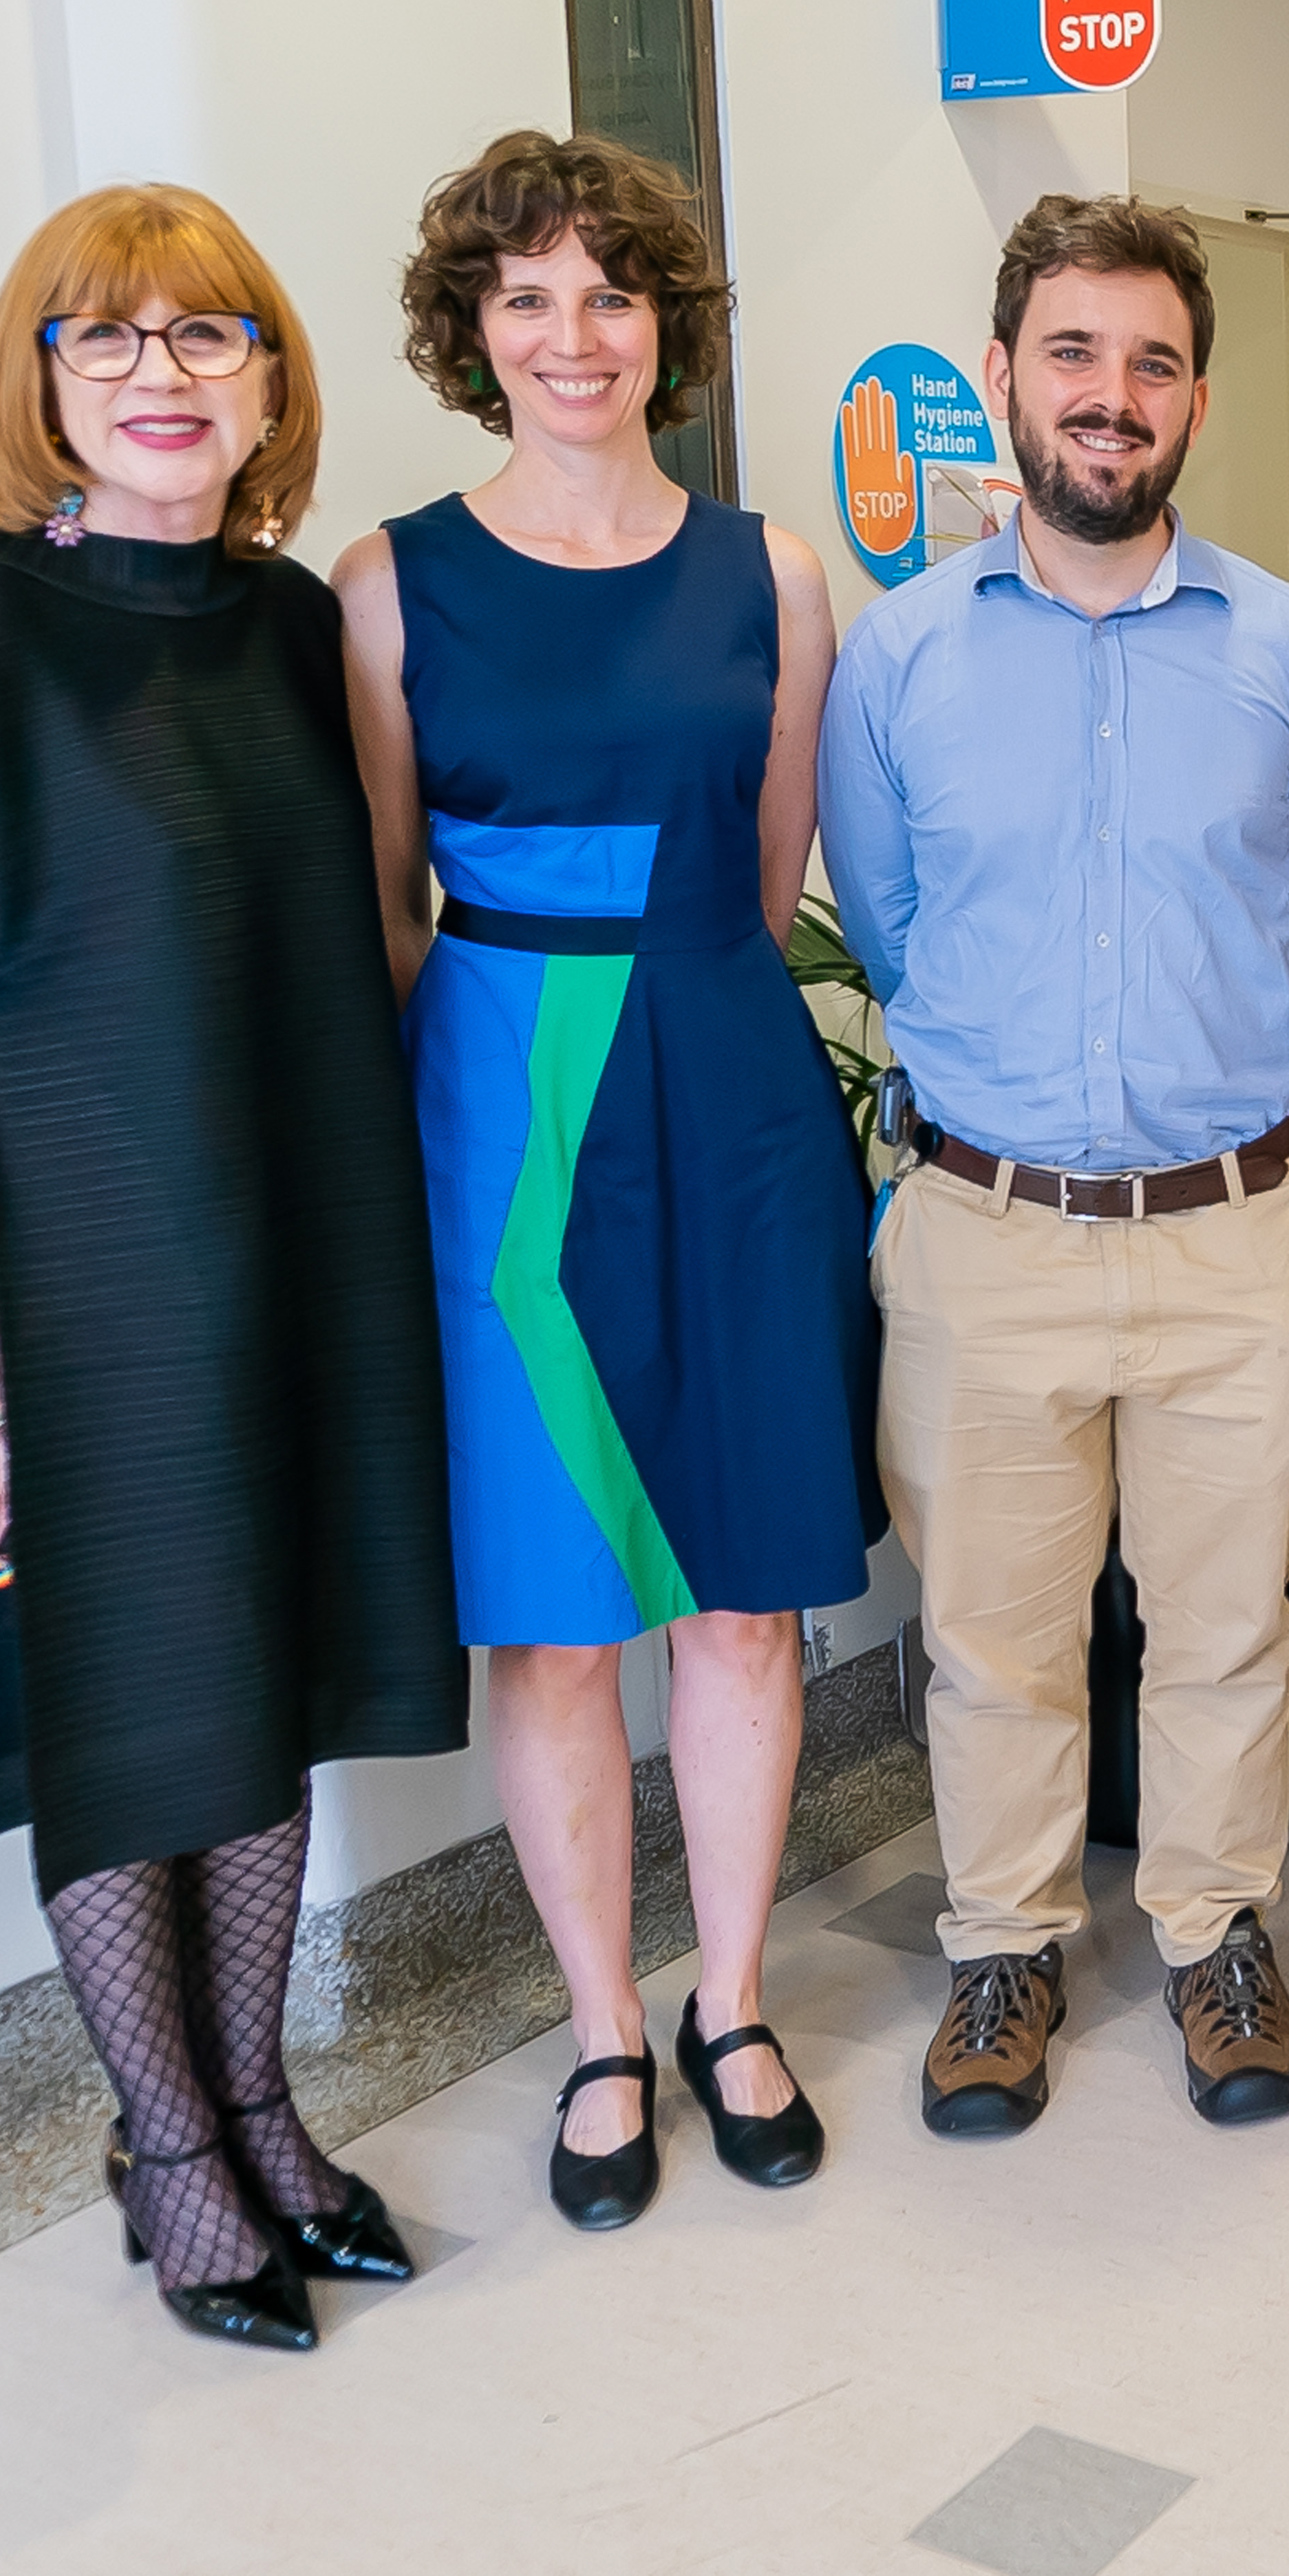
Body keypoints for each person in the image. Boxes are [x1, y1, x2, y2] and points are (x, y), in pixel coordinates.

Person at [0, 185, 465, 2352]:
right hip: (85, 1300)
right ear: (39, 384)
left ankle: (255, 2106)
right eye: (106, 342)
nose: (162, 378)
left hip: (305, 1249)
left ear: (270, 384)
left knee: (261, 1685)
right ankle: (171, 2151)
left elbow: (370, 928)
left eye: (209, 339)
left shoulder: (295, 633)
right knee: (123, 1717)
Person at [336, 129, 876, 2231]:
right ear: (473, 333)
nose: (575, 335)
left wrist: (667, 1017)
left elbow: (763, 873)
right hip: (504, 1133)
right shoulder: (385, 587)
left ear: (668, 326)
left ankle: (731, 1999)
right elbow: (391, 905)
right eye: (529, 298)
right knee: (554, 1628)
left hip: (728, 1099)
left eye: (612, 294)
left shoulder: (774, 574)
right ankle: (601, 2029)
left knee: (743, 1602)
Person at [819, 194, 1289, 2137]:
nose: (1110, 396)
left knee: (1234, 1625)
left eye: (1149, 362)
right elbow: (890, 937)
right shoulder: (895, 661)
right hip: (989, 1231)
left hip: (1239, 1231)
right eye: (1072, 353)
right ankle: (1001, 1949)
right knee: (990, 1635)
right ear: (1003, 377)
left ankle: (1218, 1930)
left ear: (1194, 399)